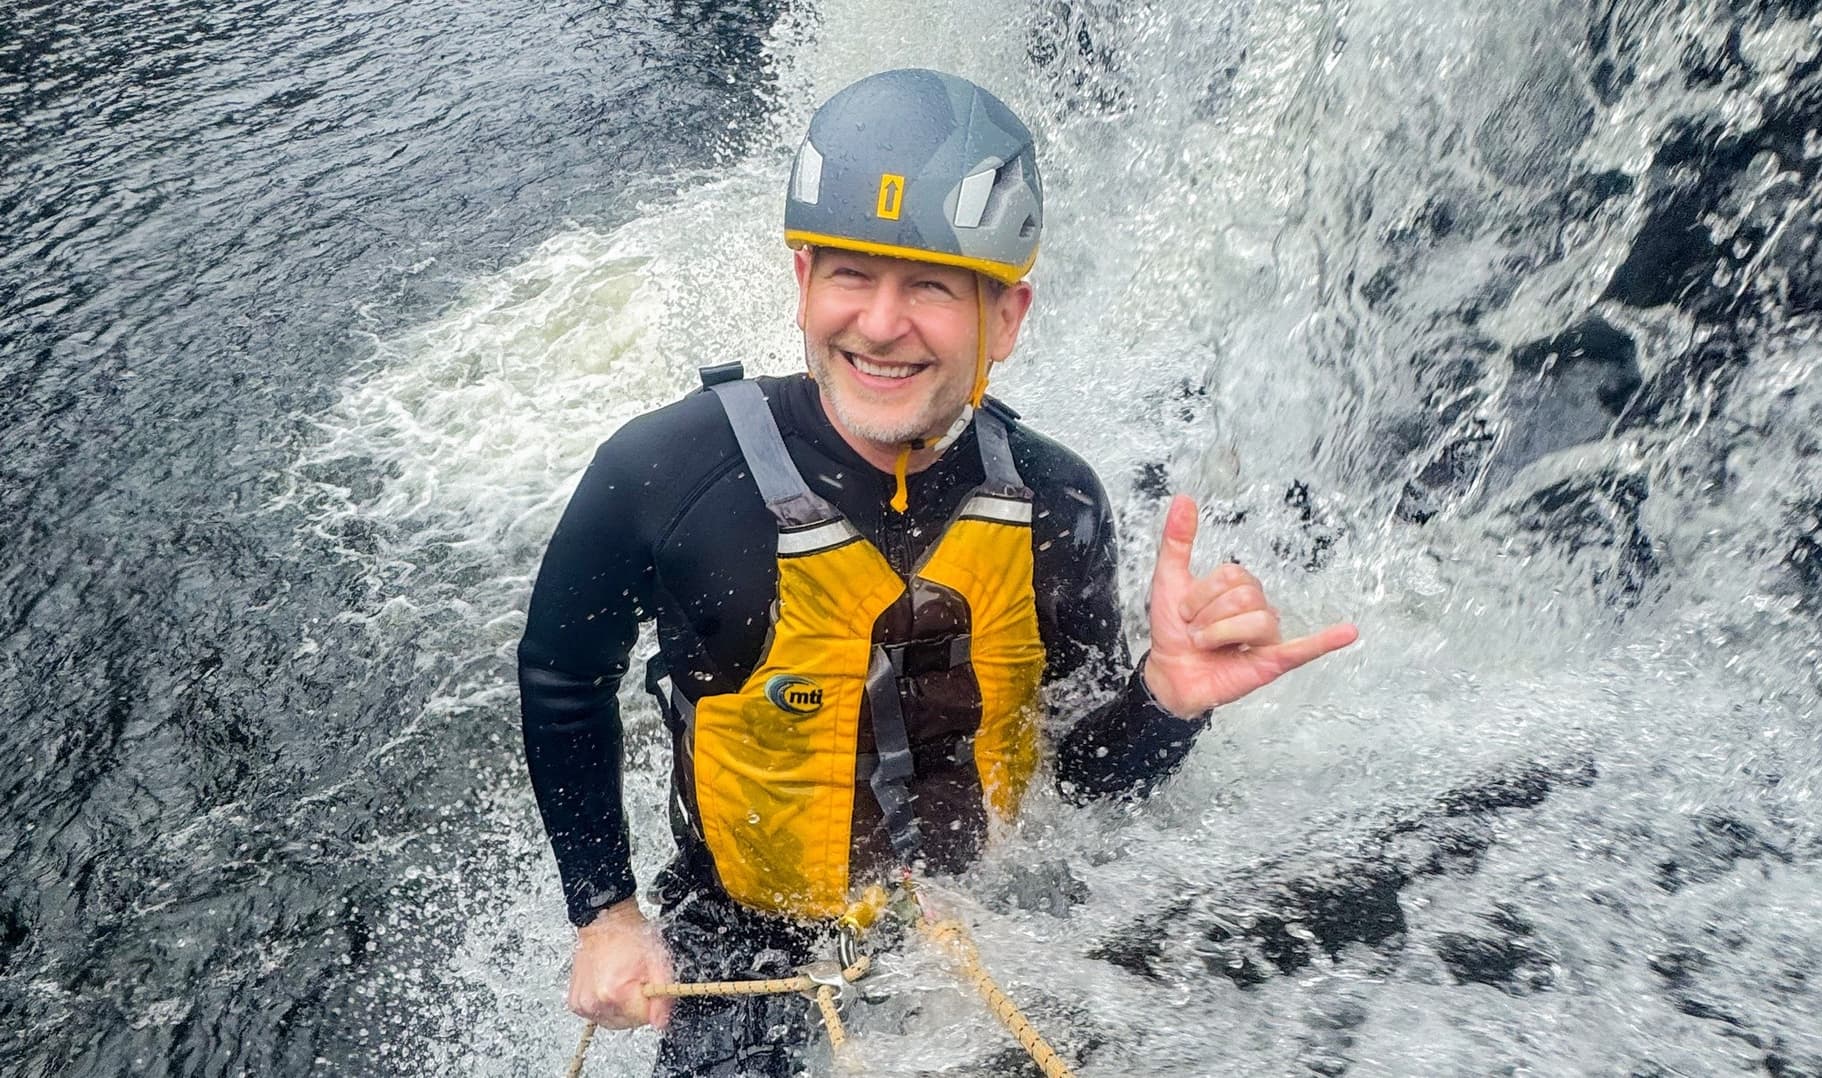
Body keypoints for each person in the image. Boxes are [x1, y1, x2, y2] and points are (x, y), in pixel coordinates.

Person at [519, 68, 1357, 1076]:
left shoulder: (1057, 504)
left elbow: (1081, 780)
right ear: (800, 284)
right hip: (745, 935)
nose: (879, 324)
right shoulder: (663, 475)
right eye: (849, 277)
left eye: (928, 286)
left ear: (1004, 316)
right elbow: (564, 676)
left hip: (990, 912)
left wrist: (1165, 702)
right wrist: (604, 914)